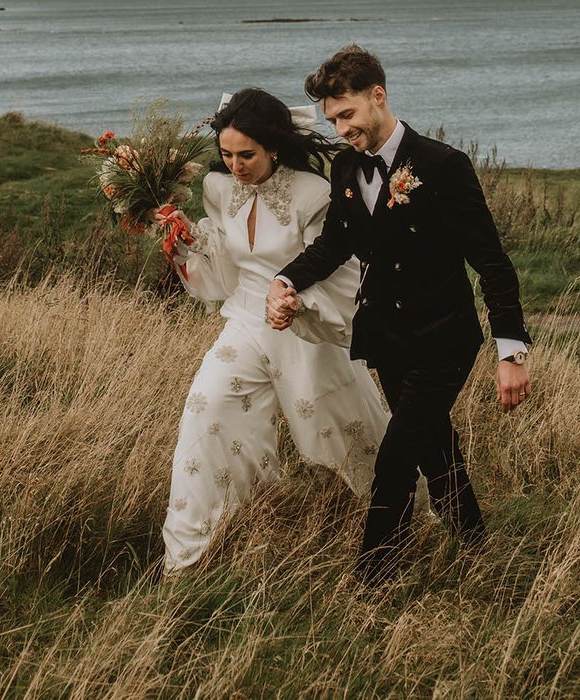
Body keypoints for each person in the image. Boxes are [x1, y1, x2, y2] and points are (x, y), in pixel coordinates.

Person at [266, 46, 532, 583]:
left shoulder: (443, 165)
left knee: (395, 457)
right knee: (436, 449)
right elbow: (335, 244)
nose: (341, 129)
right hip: (387, 337)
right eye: (332, 119)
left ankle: (373, 580)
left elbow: (491, 262)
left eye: (348, 114)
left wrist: (511, 349)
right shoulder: (345, 166)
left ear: (378, 96)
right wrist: (286, 278)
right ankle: (477, 550)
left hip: (443, 338)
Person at [159, 88, 429, 574]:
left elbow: (336, 268)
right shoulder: (218, 190)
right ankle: (189, 557)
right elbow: (222, 269)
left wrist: (297, 303)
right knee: (206, 407)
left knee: (349, 435)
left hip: (305, 326)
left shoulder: (312, 192)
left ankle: (406, 523)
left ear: (274, 148)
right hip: (243, 321)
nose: (235, 165)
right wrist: (184, 239)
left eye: (247, 155)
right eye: (226, 155)